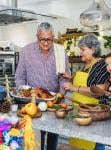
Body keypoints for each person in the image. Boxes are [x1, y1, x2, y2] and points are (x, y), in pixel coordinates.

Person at [15, 22, 70, 150]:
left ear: (53, 37)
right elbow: (20, 76)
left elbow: (64, 78)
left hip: (53, 102)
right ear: (37, 36)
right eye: (42, 39)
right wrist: (23, 94)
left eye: (49, 39)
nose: (46, 42)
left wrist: (60, 94)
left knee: (53, 137)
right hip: (32, 103)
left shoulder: (60, 51)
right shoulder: (26, 51)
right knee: (35, 138)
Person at [62, 33, 110, 150]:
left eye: (83, 49)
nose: (80, 52)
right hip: (80, 112)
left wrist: (74, 88)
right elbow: (85, 80)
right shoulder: (86, 65)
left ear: (93, 50)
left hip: (93, 114)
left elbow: (99, 91)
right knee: (77, 144)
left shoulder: (102, 65)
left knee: (93, 143)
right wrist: (71, 77)